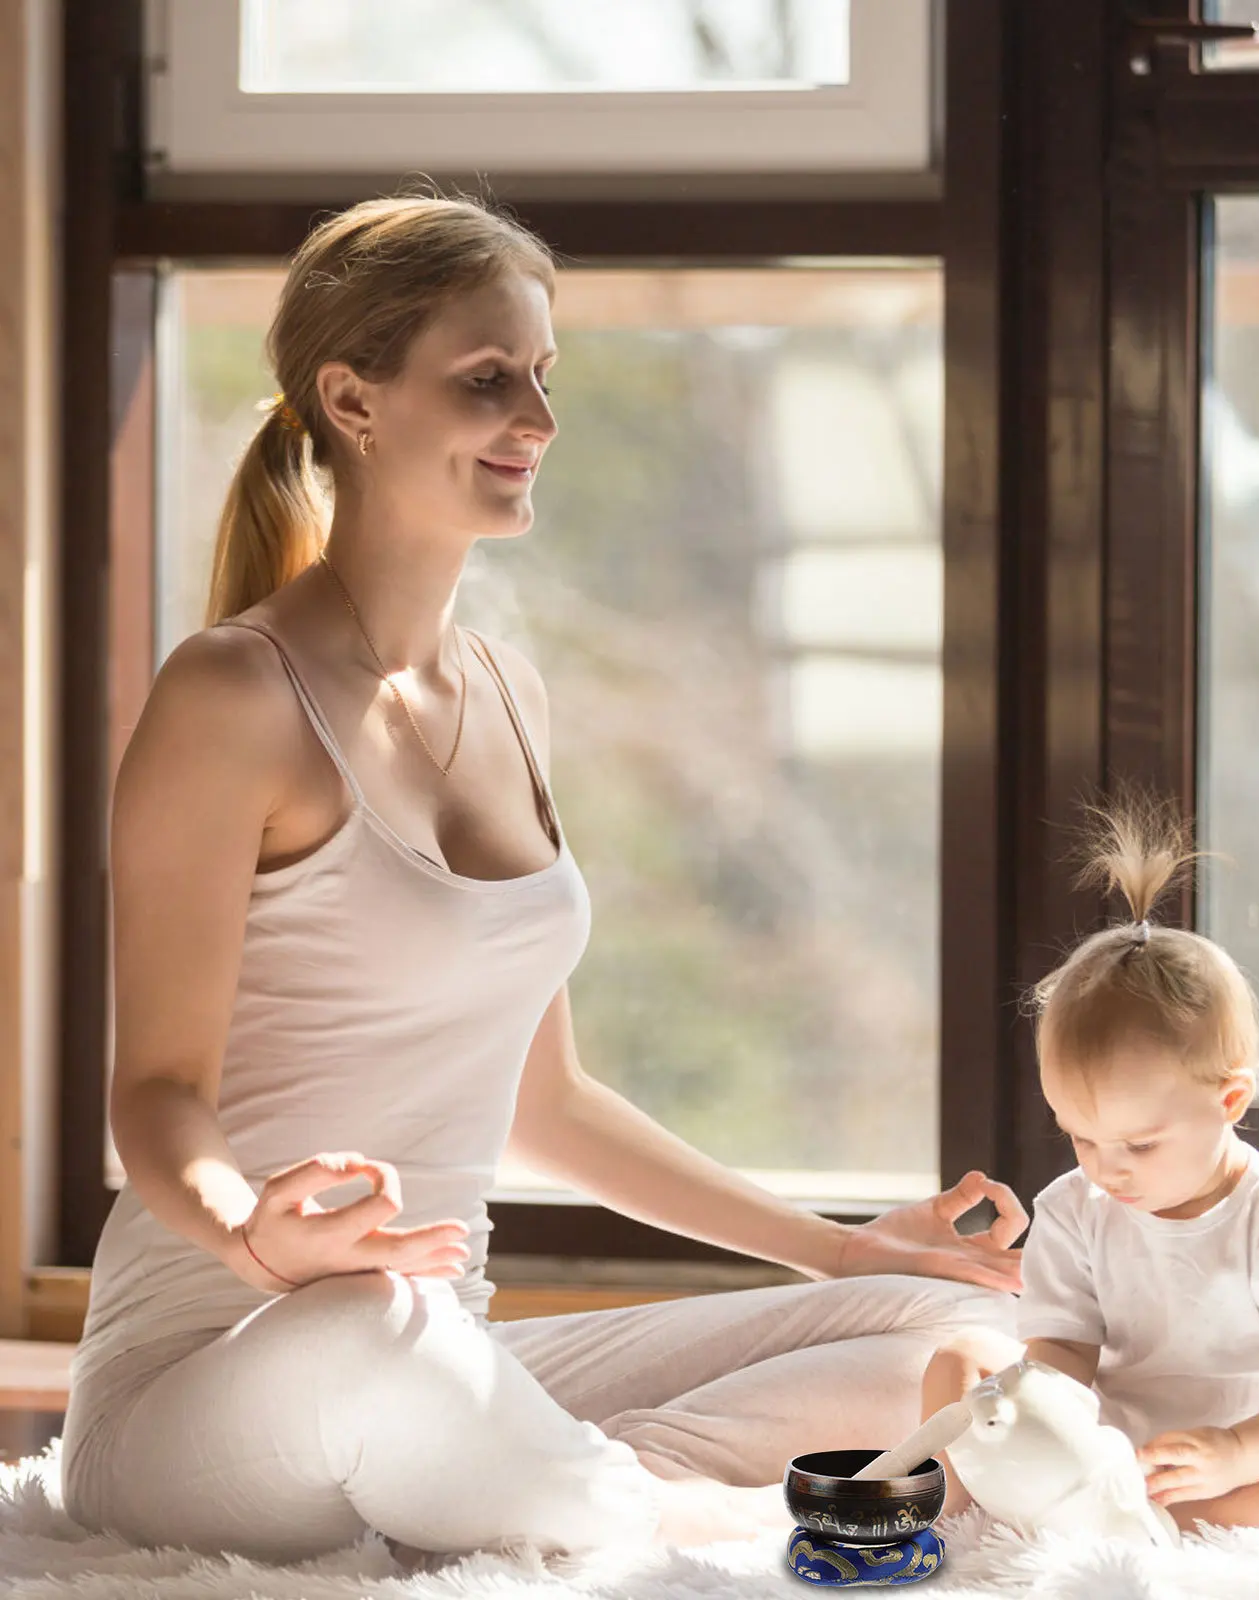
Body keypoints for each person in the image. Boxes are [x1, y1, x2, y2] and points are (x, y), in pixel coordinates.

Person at [58, 193, 1024, 1567]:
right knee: (376, 1330)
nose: (539, 419)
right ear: (353, 399)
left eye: (544, 375)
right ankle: (721, 1526)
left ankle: (574, 1484)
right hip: (213, 1379)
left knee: (953, 1319)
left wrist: (838, 1249)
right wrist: (255, 1240)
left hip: (441, 1351)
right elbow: (157, 1092)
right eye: (487, 379)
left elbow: (547, 1104)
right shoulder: (234, 695)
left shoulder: (509, 693)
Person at [918, 804, 1259, 1534]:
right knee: (962, 1358)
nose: (1108, 1171)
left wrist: (1236, 1452)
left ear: (1229, 1100)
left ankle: (1097, 1515)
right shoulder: (1073, 1208)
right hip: (1105, 1443)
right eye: (1081, 1138)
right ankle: (959, 1504)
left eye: (1140, 1145)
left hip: (1241, 1458)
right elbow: (1063, 1346)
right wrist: (1046, 1425)